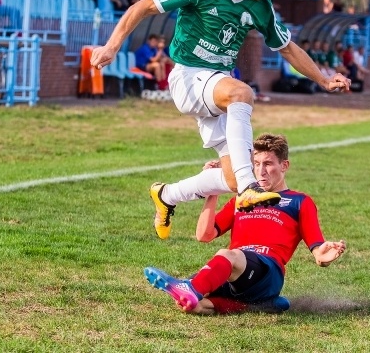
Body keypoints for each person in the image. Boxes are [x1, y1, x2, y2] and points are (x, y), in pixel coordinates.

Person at [89, 0, 351, 236]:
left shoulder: (261, 7)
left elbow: (288, 48)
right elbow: (144, 6)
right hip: (188, 77)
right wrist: (112, 46)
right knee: (242, 93)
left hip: (216, 87)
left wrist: (324, 79)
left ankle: (167, 195)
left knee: (231, 179)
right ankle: (250, 188)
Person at [144, 133, 346, 314]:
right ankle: (255, 306)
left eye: (268, 163)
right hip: (236, 273)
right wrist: (211, 189)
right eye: (256, 164)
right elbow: (204, 235)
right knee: (195, 304)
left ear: (284, 165)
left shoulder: (299, 201)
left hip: (267, 271)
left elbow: (318, 250)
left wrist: (324, 255)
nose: (261, 171)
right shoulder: (241, 199)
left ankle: (190, 286)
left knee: (223, 258)